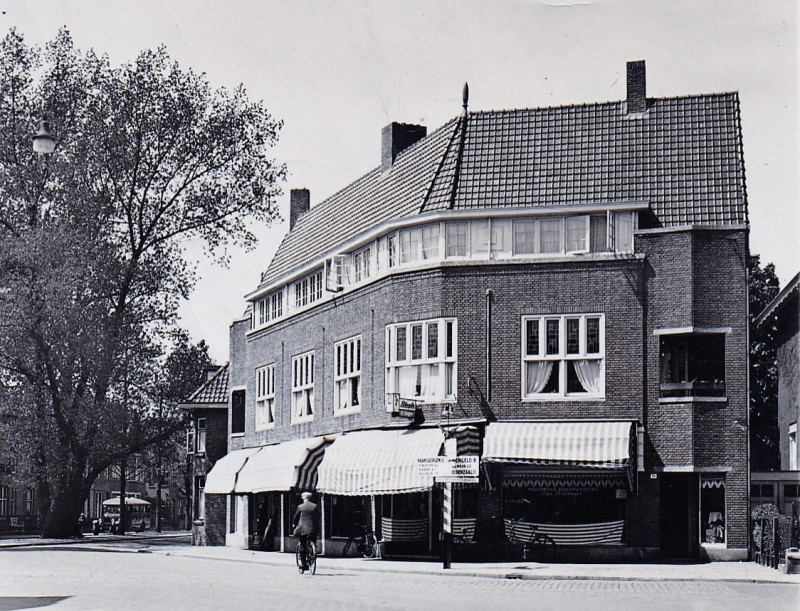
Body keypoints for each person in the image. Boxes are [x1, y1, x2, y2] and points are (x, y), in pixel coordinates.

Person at [292, 491, 318, 569]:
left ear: (304, 498)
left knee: (303, 545)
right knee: (312, 540)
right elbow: (318, 516)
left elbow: (295, 518)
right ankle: (312, 553)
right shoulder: (315, 506)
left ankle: (304, 565)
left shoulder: (300, 507)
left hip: (303, 529)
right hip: (313, 529)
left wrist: (294, 525)